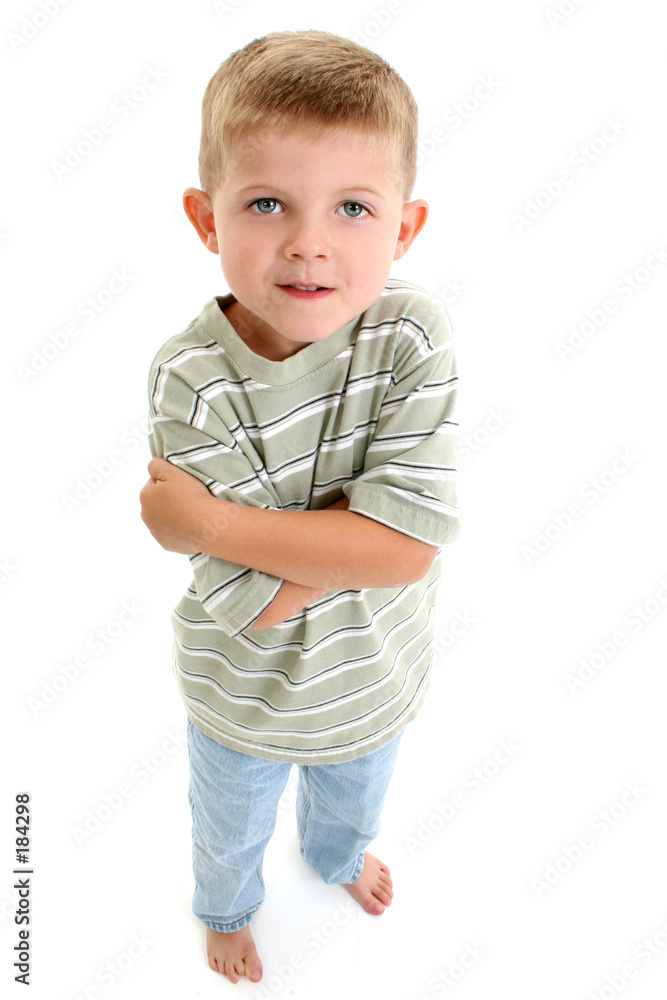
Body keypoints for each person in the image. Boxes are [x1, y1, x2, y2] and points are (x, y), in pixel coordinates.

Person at [139, 28, 461, 986]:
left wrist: (210, 528)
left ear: (403, 228)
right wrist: (347, 535)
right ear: (207, 217)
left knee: (353, 802)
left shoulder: (408, 338)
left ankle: (331, 858)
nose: (309, 242)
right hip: (238, 694)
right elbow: (256, 603)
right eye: (267, 202)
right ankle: (228, 910)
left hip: (374, 677)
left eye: (354, 207)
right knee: (228, 823)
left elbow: (405, 553)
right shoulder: (192, 380)